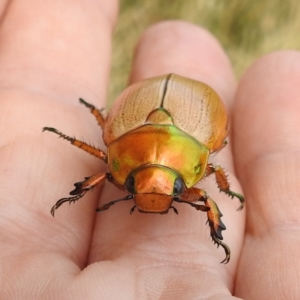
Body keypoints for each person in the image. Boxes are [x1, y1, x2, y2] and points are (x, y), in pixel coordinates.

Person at [1, 1, 299, 299]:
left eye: (135, 186)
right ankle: (216, 236)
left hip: (170, 106)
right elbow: (108, 169)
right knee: (111, 168)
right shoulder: (120, 155)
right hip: (173, 106)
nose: (153, 194)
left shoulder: (193, 159)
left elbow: (213, 171)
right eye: (131, 184)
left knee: (126, 170)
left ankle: (216, 235)